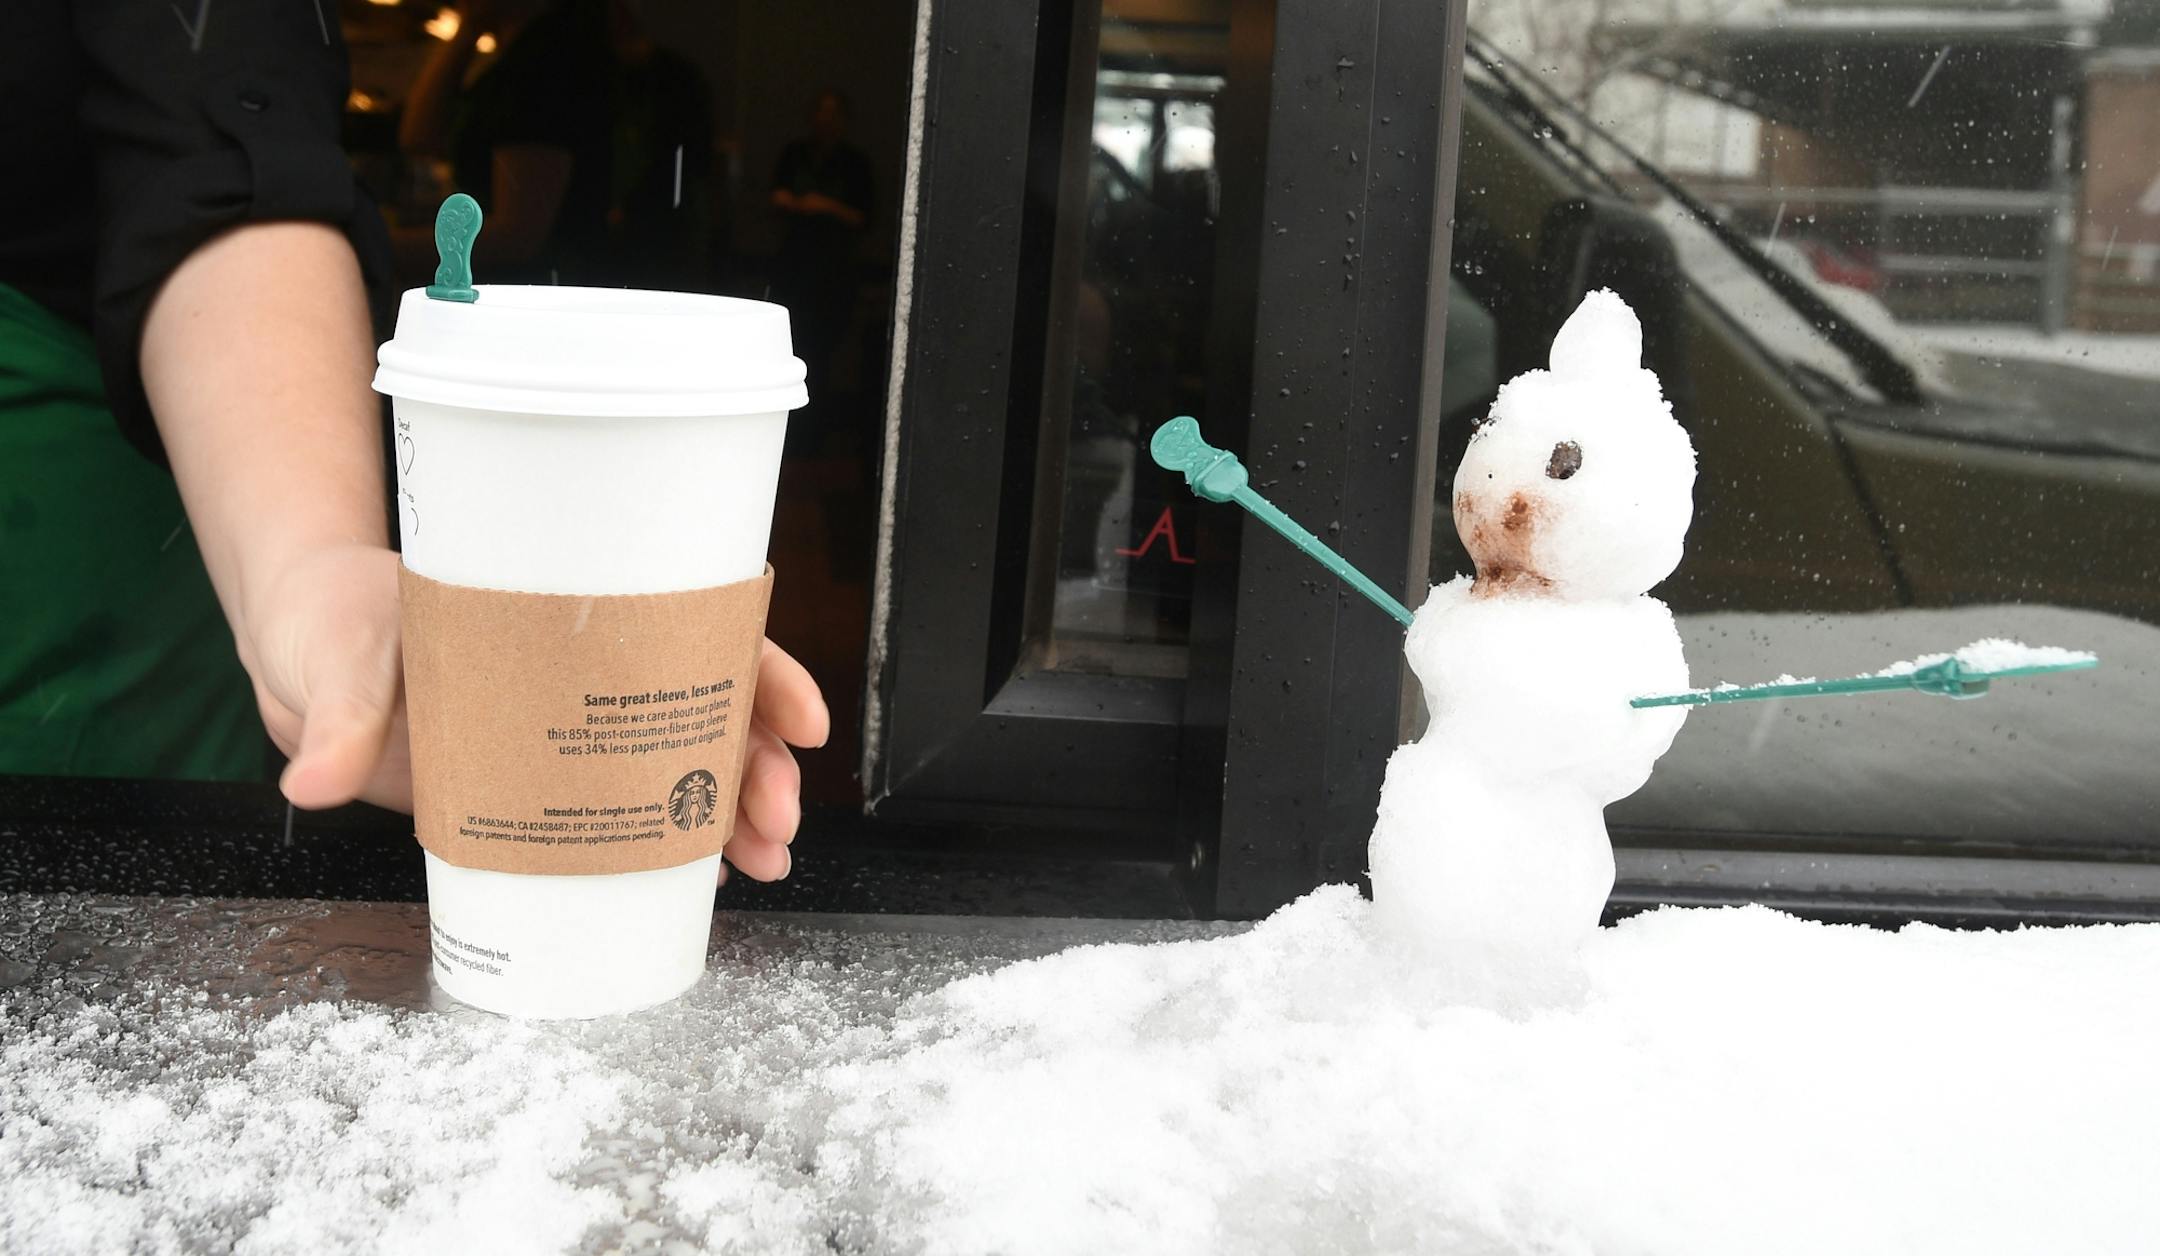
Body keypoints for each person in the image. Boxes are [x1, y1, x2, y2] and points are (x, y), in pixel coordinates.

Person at [0, 1, 822, 883]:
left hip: (89, 522)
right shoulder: (521, 65)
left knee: (108, 888)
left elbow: (220, 153)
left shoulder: (550, 64)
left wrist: (305, 563)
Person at [395, 0, 715, 290]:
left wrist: (381, 248)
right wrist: (468, 29)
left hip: (539, 291)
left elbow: (519, 235)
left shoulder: (544, 67)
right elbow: (419, 138)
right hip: (542, 286)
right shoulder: (525, 61)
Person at [769, 90, 873, 448]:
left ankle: (816, 436)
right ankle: (789, 435)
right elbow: (775, 197)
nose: (825, 119)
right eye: (819, 111)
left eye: (833, 112)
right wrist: (794, 204)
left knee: (823, 351)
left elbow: (864, 217)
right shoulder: (795, 154)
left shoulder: (855, 164)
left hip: (834, 270)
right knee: (791, 348)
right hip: (794, 266)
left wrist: (824, 206)